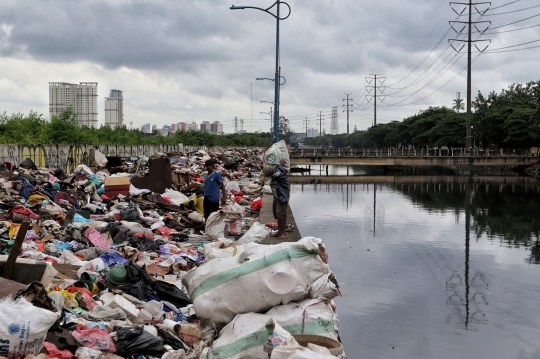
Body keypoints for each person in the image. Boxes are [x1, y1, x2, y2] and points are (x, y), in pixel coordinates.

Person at [270, 159, 290, 239]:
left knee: (281, 215)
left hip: (283, 195)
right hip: (278, 195)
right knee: (277, 214)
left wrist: (280, 164)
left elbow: (277, 173)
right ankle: (279, 231)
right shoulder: (278, 170)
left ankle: (283, 233)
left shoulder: (281, 172)